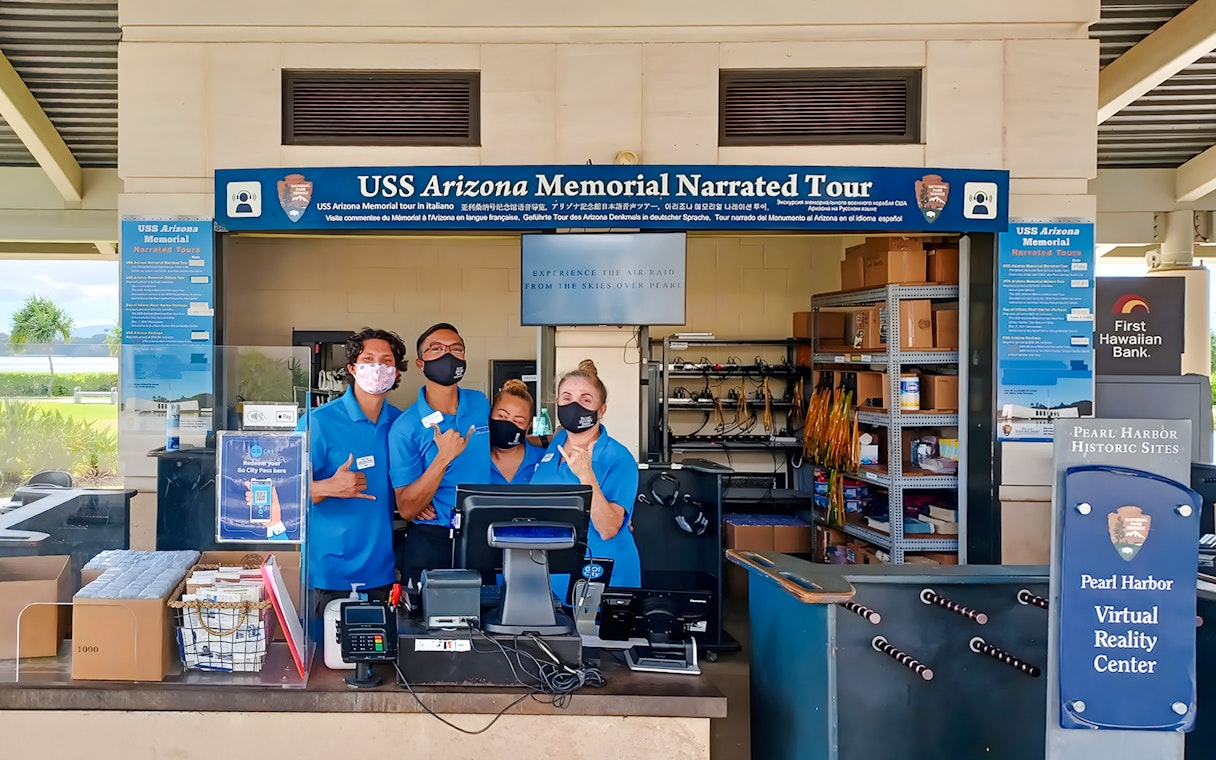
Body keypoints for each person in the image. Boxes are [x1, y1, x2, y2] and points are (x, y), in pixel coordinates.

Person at [306, 327, 409, 613]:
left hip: (383, 576)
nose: (378, 368)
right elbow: (281, 493)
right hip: (328, 575)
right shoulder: (319, 422)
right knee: (328, 658)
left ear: (397, 372)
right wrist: (327, 487)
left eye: (387, 361)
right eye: (369, 360)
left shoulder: (402, 425)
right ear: (352, 368)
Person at [389, 322, 490, 584]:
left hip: (483, 538)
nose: (448, 355)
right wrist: (443, 458)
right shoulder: (405, 427)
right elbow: (409, 508)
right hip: (432, 541)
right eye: (436, 349)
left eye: (456, 349)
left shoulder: (480, 403)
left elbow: (508, 442)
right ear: (421, 363)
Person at [531, 359, 641, 590]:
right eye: (567, 398)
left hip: (601, 577)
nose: (574, 406)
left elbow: (609, 528)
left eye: (586, 399)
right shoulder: (557, 442)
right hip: (551, 577)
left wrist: (586, 475)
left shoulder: (618, 458)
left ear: (601, 410)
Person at [489, 379, 546, 485]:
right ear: (490, 414)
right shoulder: (475, 459)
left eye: (518, 421)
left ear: (528, 427)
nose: (508, 424)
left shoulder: (545, 461)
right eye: (502, 416)